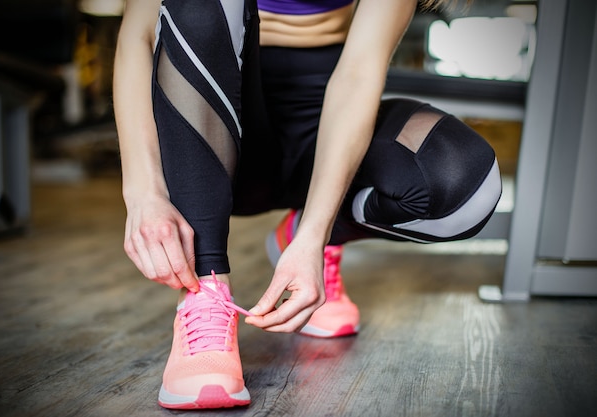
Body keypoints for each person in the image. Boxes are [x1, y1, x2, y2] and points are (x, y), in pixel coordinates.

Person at [113, 0, 499, 410]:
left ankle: (299, 238)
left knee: (466, 189)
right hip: (212, 130)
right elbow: (138, 36)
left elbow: (357, 75)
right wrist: (143, 193)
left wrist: (314, 236)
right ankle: (206, 297)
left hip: (323, 128)